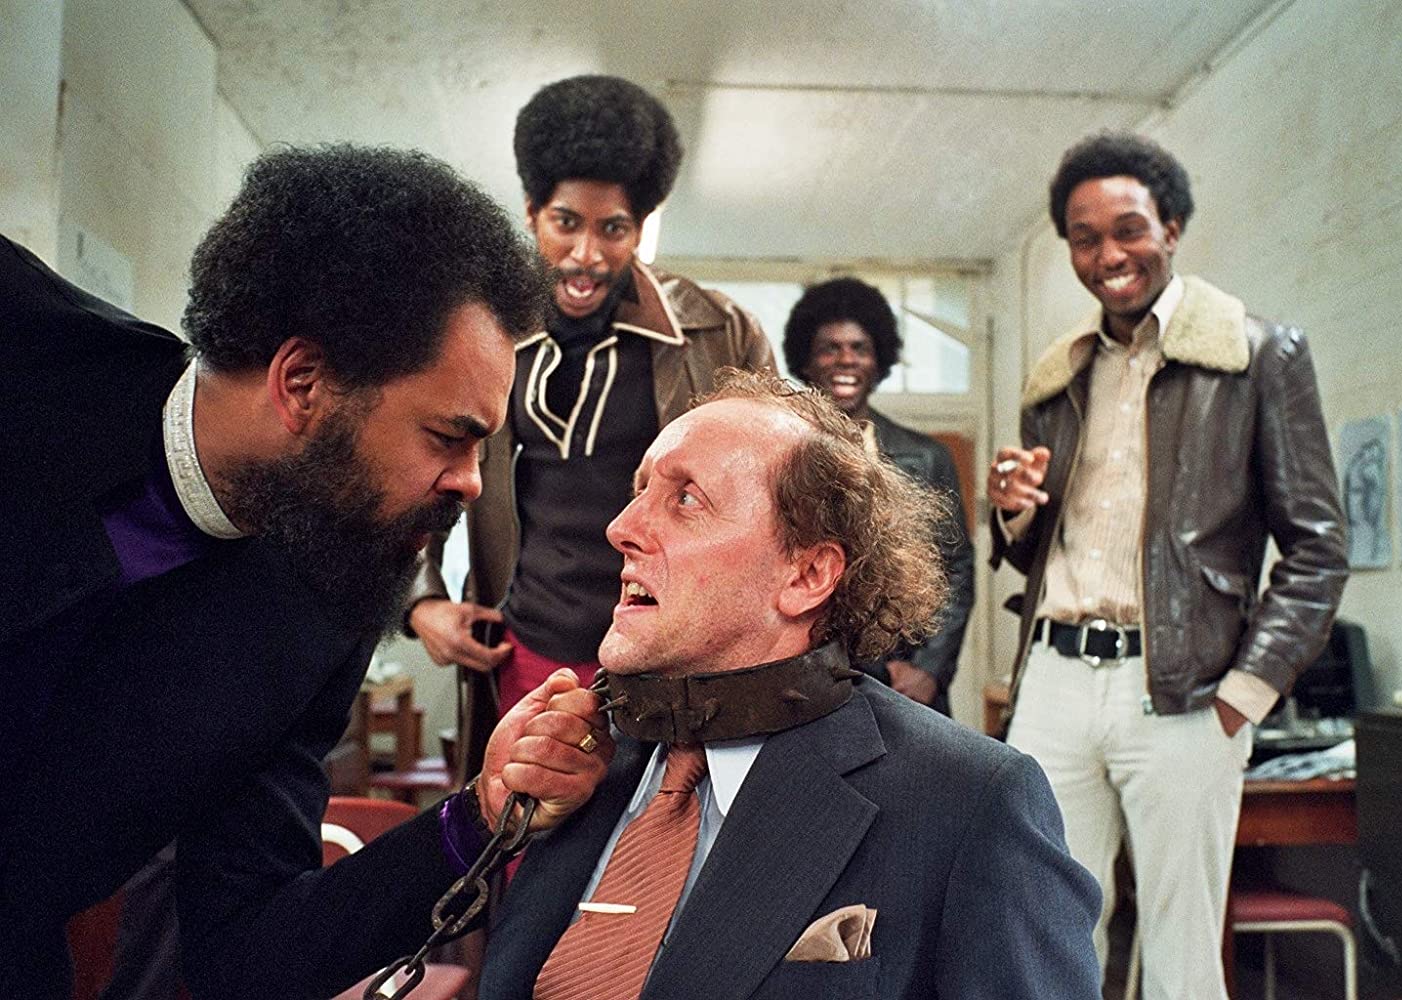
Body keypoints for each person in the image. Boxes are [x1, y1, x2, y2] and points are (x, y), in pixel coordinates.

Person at [0, 145, 612, 1000]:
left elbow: (249, 952)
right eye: (448, 436)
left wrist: (477, 814)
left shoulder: (322, 607)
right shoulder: (25, 346)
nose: (473, 484)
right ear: (302, 383)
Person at [479, 370, 1101, 1000]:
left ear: (807, 575)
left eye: (686, 498)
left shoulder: (970, 803)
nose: (620, 527)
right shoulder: (576, 764)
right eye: (639, 490)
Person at [986, 132, 1348, 998]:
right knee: (1044, 928)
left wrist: (1245, 693)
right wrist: (1012, 510)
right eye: (1084, 238)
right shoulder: (1058, 376)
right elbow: (1037, 549)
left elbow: (1319, 546)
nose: (1108, 255)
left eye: (1129, 230)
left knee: (1183, 957)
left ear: (1172, 228)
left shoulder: (1258, 356)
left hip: (1186, 690)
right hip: (1055, 682)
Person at [406, 74, 774, 784]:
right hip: (528, 655)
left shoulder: (719, 332)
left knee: (654, 844)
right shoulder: (480, 330)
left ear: (641, 227)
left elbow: (776, 491)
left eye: (613, 229)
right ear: (532, 213)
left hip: (671, 661)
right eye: (566, 223)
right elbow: (420, 465)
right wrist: (419, 601)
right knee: (527, 837)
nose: (586, 254)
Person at [784, 277, 974, 714]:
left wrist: (928, 669)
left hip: (906, 679)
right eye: (829, 348)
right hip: (807, 674)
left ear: (879, 359)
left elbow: (956, 571)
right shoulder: (782, 455)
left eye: (860, 348)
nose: (846, 359)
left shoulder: (927, 457)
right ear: (806, 361)